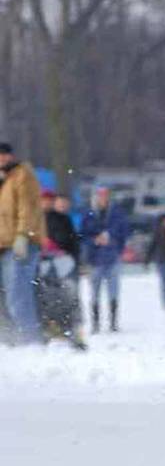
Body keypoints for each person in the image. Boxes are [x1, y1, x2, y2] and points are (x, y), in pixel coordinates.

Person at [0, 145, 47, 344]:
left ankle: (30, 341)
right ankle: (10, 339)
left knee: (18, 296)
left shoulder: (22, 175)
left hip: (19, 244)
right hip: (3, 244)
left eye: (3, 155)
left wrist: (23, 235)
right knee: (6, 299)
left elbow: (28, 208)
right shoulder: (3, 180)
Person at [79, 186, 129, 333]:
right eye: (100, 195)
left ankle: (113, 322)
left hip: (112, 257)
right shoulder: (88, 214)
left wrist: (111, 239)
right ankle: (95, 323)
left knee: (113, 291)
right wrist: (94, 240)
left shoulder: (117, 213)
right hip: (95, 259)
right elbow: (82, 235)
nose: (103, 198)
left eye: (105, 195)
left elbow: (124, 232)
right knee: (94, 292)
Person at [38, 190, 85, 348]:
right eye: (44, 200)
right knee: (45, 300)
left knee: (69, 298)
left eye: (50, 200)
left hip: (64, 265)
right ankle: (50, 330)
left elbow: (72, 242)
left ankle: (74, 331)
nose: (47, 203)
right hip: (42, 267)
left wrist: (58, 247)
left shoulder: (63, 219)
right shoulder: (35, 219)